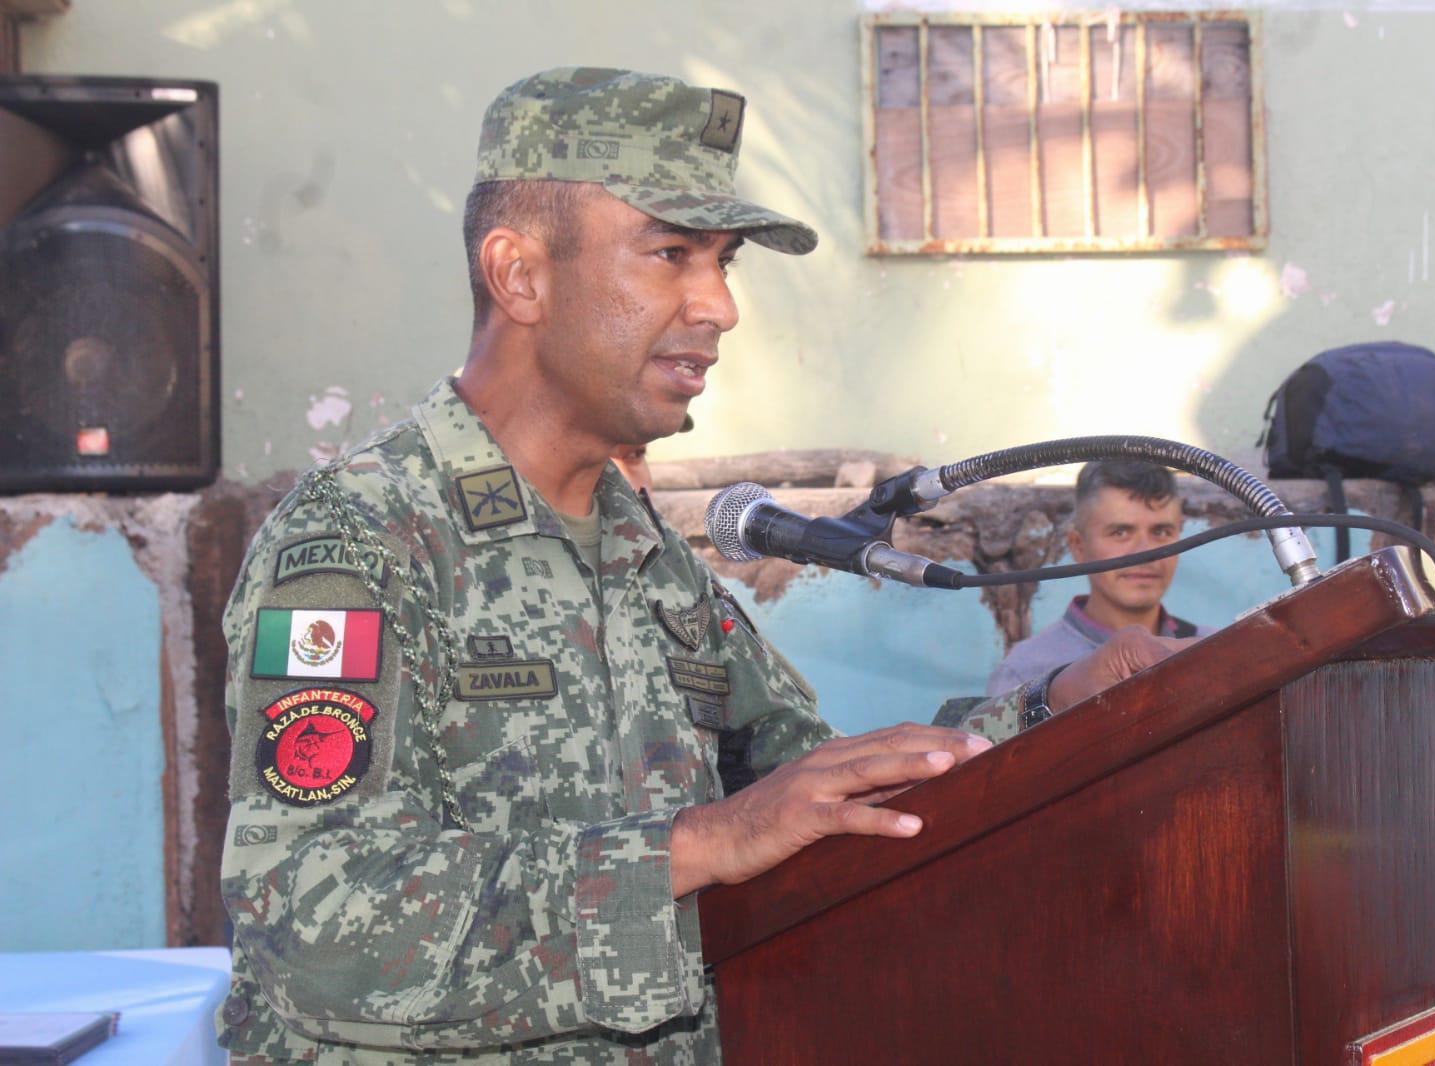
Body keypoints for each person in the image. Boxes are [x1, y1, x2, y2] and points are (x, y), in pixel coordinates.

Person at [216, 68, 1182, 1064]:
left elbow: (810, 794)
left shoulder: (645, 554)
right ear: (520, 275)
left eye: (723, 263)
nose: (718, 305)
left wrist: (1050, 713)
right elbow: (315, 926)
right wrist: (699, 845)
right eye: (672, 253)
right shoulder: (360, 540)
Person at [986, 459, 1215, 697]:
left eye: (1161, 532)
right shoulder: (1025, 672)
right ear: (1078, 546)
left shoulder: (1214, 649)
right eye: (1120, 532)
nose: (1147, 553)